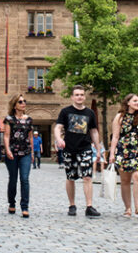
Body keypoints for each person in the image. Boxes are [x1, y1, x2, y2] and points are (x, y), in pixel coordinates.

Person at [54, 85, 104, 218]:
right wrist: (59, 139)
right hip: (69, 148)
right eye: (77, 94)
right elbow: (58, 127)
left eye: (81, 94)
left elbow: (94, 131)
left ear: (84, 96)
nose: (79, 97)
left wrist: (98, 149)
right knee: (70, 177)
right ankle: (72, 205)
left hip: (85, 148)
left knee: (87, 177)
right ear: (72, 97)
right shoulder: (65, 112)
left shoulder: (90, 113)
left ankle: (89, 206)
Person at [109, 93, 138, 218]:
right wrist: (112, 154)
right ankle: (128, 208)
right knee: (125, 180)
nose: (137, 103)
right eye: (135, 101)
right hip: (123, 150)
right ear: (128, 103)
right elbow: (115, 136)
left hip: (137, 150)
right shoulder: (120, 117)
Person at [4, 94, 33, 217]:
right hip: (12, 152)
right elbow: (6, 136)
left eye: (24, 101)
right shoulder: (9, 119)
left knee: (25, 179)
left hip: (25, 152)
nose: (23, 103)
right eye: (20, 102)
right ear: (15, 105)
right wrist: (7, 150)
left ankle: (25, 206)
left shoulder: (29, 119)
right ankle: (12, 203)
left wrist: (31, 152)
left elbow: (30, 136)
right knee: (13, 179)